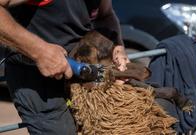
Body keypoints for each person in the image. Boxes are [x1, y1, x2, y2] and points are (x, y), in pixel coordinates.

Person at [0, 0, 129, 134]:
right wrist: (39, 51)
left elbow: (105, 15)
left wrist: (118, 47)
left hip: (79, 72)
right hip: (36, 79)